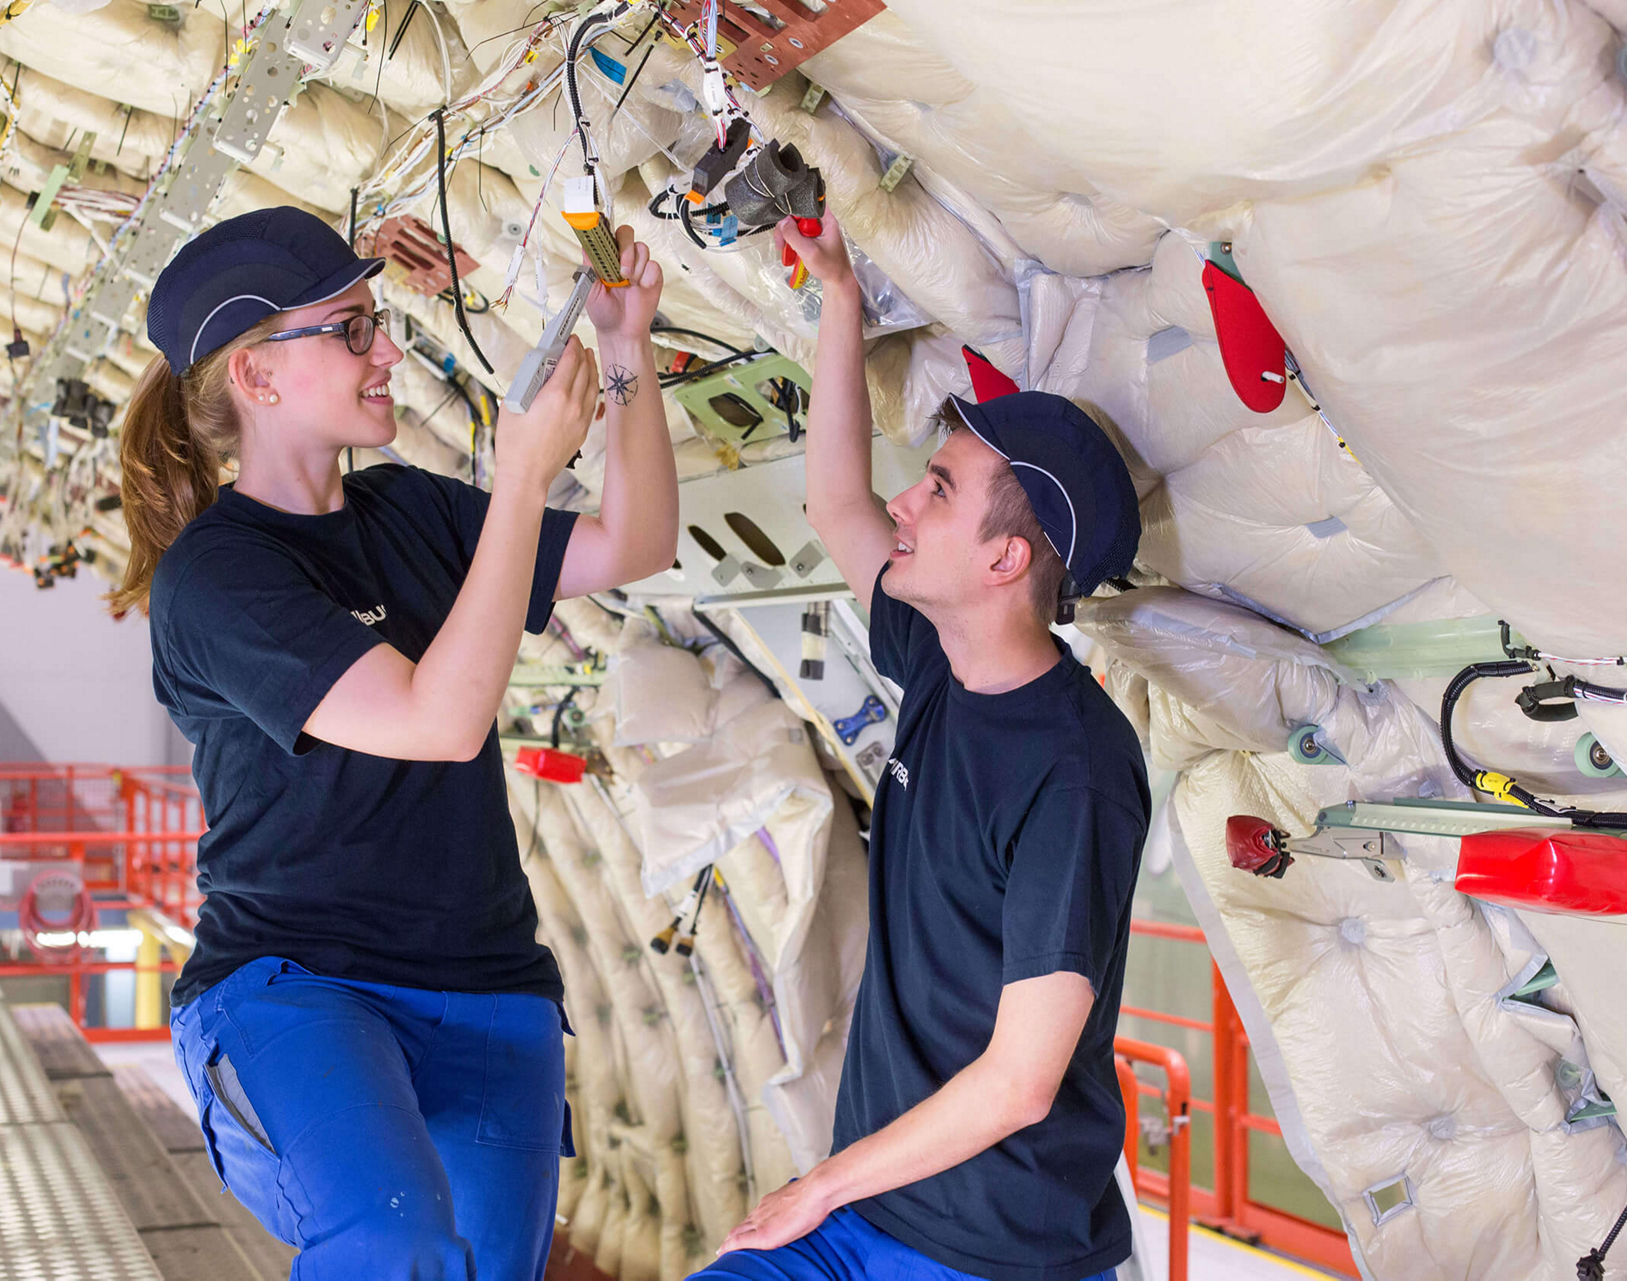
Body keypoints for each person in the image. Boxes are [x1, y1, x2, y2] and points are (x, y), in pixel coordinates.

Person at [111, 206, 675, 1279]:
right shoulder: (218, 578)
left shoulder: (407, 509)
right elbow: (436, 720)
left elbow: (635, 541)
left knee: (481, 1266)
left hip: (487, 984)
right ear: (258, 378)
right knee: (390, 1237)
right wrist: (518, 479)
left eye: (378, 322)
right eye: (353, 329)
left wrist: (625, 350)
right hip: (302, 983)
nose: (388, 352)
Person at [692, 212, 1150, 1281]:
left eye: (937, 490)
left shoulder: (1074, 772)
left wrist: (817, 1187)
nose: (906, 500)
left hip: (993, 1251)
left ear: (1003, 560)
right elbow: (836, 500)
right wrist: (840, 299)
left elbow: (1022, 1082)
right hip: (875, 1208)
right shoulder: (942, 659)